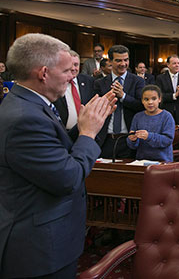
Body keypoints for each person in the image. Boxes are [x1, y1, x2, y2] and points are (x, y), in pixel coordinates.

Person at [0, 33, 116, 278]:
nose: (72, 77)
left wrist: (81, 129)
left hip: (45, 240)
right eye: (66, 71)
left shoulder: (31, 105)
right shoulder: (25, 118)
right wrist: (88, 134)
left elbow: (54, 150)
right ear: (44, 73)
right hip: (38, 249)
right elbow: (67, 178)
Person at [94, 45, 145, 159]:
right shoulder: (100, 83)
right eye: (118, 60)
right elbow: (95, 108)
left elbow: (141, 106)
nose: (123, 64)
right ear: (110, 61)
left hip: (129, 139)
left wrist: (123, 96)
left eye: (126, 60)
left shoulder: (138, 81)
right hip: (105, 139)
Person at [127, 85, 175, 162]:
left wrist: (149, 136)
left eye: (154, 99)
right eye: (146, 99)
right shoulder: (137, 117)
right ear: (142, 101)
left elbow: (167, 140)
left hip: (162, 161)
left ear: (159, 99)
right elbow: (132, 145)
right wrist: (132, 140)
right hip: (141, 161)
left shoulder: (167, 116)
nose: (150, 102)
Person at [53, 50, 96, 131]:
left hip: (85, 131)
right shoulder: (55, 83)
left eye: (76, 65)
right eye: (70, 65)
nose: (73, 68)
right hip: (62, 132)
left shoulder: (89, 81)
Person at [155, 55, 179, 126]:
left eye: (178, 63)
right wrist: (174, 95)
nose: (177, 65)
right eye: (174, 63)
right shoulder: (160, 78)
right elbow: (159, 96)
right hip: (166, 112)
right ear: (168, 65)